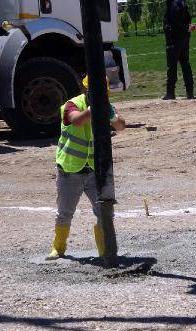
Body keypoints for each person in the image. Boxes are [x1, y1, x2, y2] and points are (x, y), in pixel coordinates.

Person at [47, 76, 126, 260]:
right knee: (65, 213)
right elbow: (77, 121)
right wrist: (93, 109)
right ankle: (58, 248)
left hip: (93, 171)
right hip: (70, 170)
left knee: (104, 212)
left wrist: (112, 116)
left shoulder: (105, 106)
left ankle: (104, 251)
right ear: (85, 90)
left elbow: (121, 126)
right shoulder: (72, 105)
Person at [163, 0, 196, 100]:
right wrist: (188, 28)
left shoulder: (173, 4)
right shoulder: (182, 2)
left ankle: (170, 93)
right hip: (184, 38)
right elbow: (188, 18)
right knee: (185, 64)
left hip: (174, 38)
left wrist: (186, 27)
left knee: (172, 66)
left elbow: (175, 20)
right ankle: (190, 92)